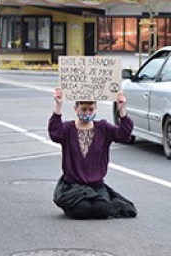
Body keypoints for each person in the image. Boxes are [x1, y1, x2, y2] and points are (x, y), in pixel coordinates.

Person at [49, 89, 137, 220]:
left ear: (95, 109)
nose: (87, 113)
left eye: (90, 110)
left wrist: (122, 110)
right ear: (76, 109)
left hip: (96, 185)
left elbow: (124, 136)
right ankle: (72, 205)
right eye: (83, 109)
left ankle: (99, 201)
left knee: (102, 210)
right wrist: (58, 105)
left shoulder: (103, 128)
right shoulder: (67, 129)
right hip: (73, 186)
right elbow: (55, 133)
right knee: (82, 210)